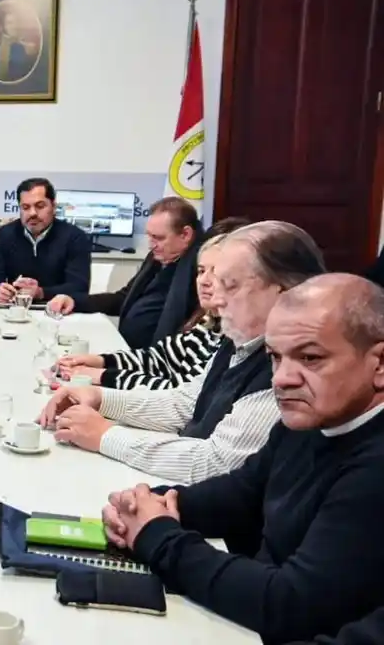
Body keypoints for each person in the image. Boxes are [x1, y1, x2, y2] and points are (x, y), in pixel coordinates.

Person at [100, 274, 384, 644]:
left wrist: (157, 534)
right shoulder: (309, 419)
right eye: (275, 357)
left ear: (379, 364)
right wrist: (149, 503)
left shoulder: (374, 467)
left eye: (310, 358)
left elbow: (291, 603)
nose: (282, 379)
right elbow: (242, 493)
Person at [40, 221, 326, 483]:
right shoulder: (240, 341)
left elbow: (214, 463)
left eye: (230, 285)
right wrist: (101, 398)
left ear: (284, 292)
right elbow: (186, 403)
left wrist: (105, 436)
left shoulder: (288, 370)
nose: (216, 296)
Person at [57, 218, 251, 390]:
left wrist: (102, 376)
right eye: (201, 271)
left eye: (216, 272)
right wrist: (100, 361)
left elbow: (183, 396)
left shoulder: (237, 337)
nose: (204, 281)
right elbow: (160, 358)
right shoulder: (209, 323)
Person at [46, 198, 202, 349]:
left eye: (158, 238)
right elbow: (123, 298)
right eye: (149, 236)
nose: (151, 245)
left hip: (155, 361)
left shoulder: (199, 271)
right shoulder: (156, 258)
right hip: (126, 350)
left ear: (185, 234)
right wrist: (75, 301)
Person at [0, 178, 91, 303]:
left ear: (53, 206)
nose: (32, 213)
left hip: (60, 312)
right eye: (25, 207)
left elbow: (79, 287)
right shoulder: (5, 234)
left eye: (40, 206)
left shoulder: (74, 237)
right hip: (15, 310)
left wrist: (41, 293)